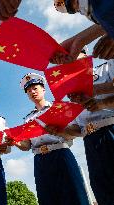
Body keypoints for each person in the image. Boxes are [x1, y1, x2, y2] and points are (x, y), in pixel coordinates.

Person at [14, 73, 90, 205]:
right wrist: (15, 141)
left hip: (61, 155)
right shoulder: (27, 119)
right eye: (29, 90)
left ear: (43, 89)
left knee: (74, 196)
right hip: (40, 160)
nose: (32, 92)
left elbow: (77, 132)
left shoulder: (58, 108)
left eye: (35, 88)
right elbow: (27, 146)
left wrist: (60, 130)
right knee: (48, 198)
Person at [47, 58, 114, 205]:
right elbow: (77, 130)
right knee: (104, 190)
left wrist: (102, 103)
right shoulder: (70, 93)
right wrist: (59, 131)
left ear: (85, 54)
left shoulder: (106, 68)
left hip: (111, 130)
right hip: (91, 142)